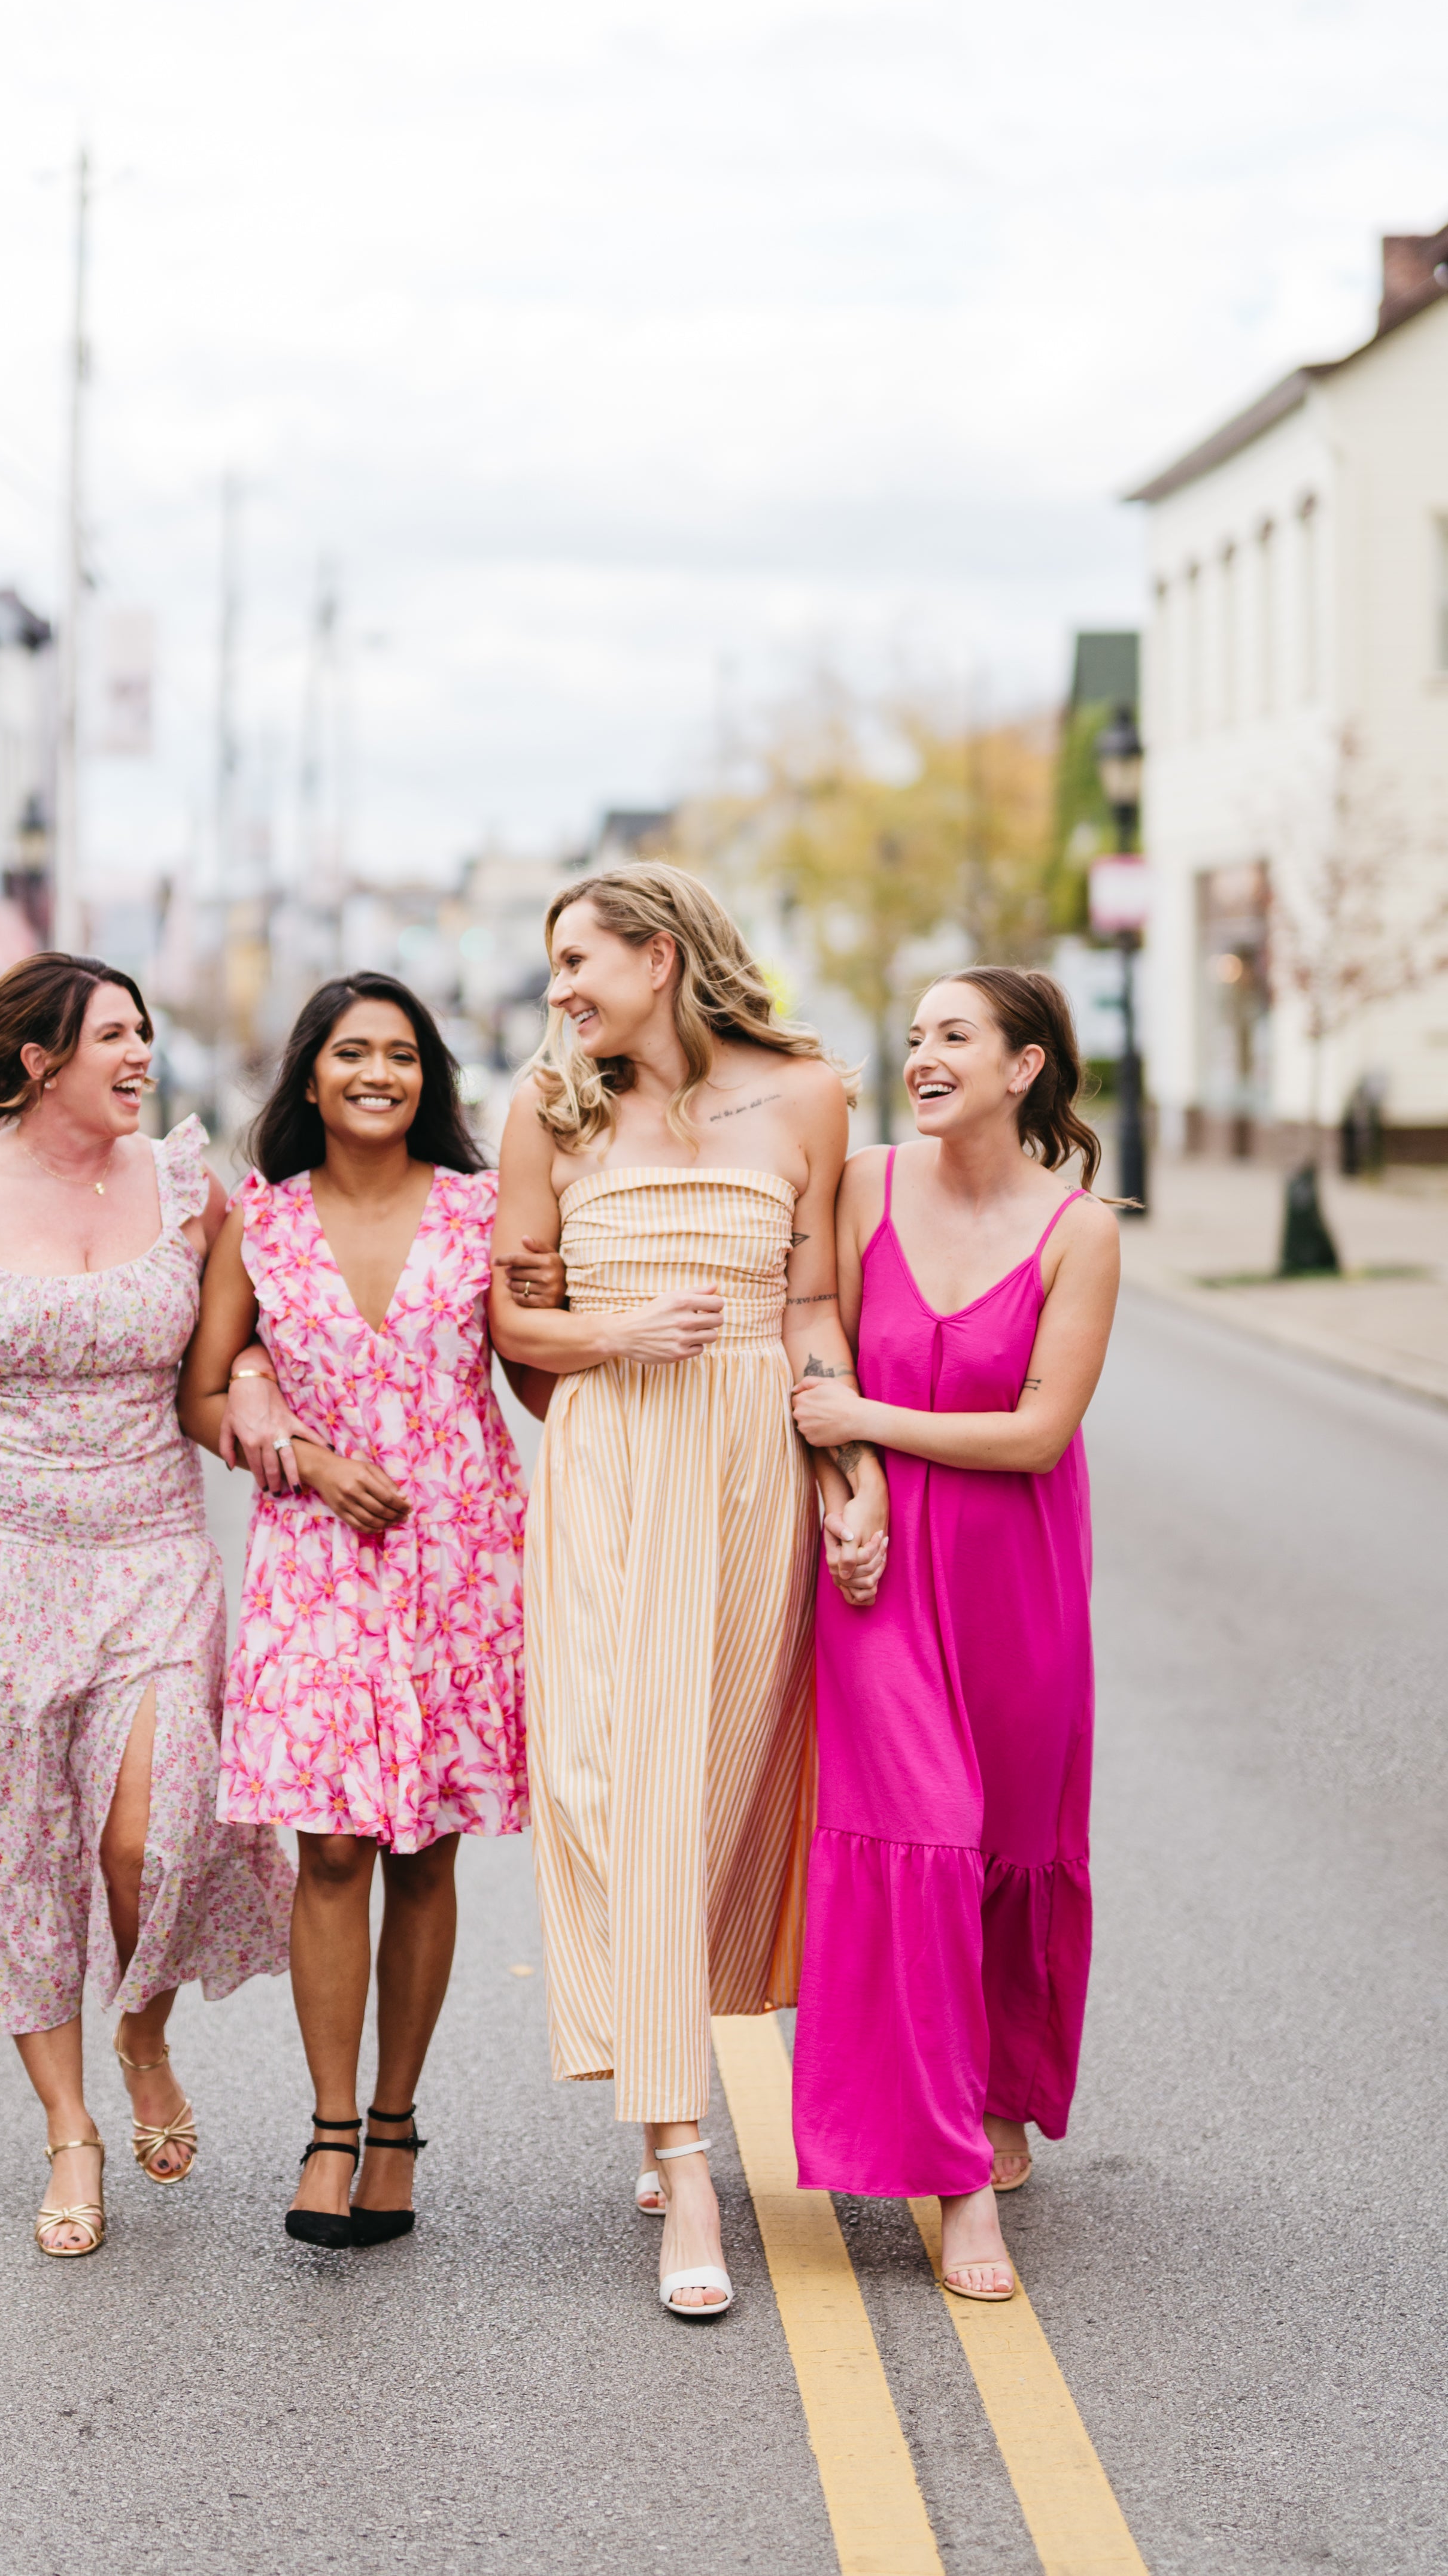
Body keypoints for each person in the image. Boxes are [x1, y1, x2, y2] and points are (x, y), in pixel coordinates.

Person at [0, 953, 294, 2258]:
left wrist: (249, 1369)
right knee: (22, 1848)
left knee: (153, 1829)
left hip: (144, 1544)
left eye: (144, 1032)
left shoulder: (194, 1190)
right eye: (113, 1036)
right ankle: (71, 2130)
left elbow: (252, 1324)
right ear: (41, 1061)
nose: (141, 1054)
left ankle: (141, 2022)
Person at [489, 862, 888, 2321]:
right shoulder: (546, 1107)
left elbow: (812, 1307)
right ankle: (682, 2148)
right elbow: (509, 1319)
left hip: (747, 1467)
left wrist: (852, 1473)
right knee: (614, 1789)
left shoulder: (806, 1096)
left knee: (715, 1794)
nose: (559, 991)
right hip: (606, 1469)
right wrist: (618, 1332)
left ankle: (666, 2060)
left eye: (578, 961)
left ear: (659, 957)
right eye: (551, 968)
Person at [181, 974, 554, 2250]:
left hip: (457, 1552)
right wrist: (287, 1442)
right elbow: (201, 1393)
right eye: (353, 1052)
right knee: (330, 1845)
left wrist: (580, 1316)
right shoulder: (263, 1222)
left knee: (424, 1848)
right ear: (311, 1076)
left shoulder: (480, 1209)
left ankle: (397, 2118)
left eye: (401, 1053)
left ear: (428, 1077)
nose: (378, 1072)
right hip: (318, 1552)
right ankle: (329, 2123)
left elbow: (535, 1381)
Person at [787, 969, 1121, 2303]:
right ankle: (952, 2184)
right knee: (918, 1835)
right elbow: (813, 1336)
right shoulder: (863, 1183)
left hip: (1015, 1571)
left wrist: (865, 1424)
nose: (921, 1055)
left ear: (1024, 1065)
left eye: (953, 1036)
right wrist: (844, 1478)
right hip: (875, 1571)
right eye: (915, 1035)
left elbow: (1037, 1431)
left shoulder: (1078, 1231)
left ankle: (995, 2091)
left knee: (1008, 1848)